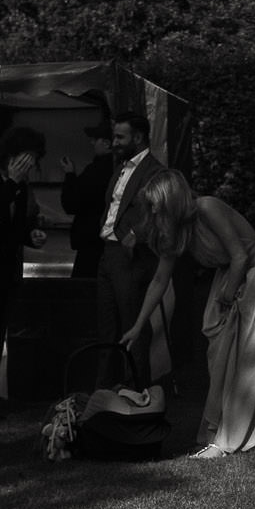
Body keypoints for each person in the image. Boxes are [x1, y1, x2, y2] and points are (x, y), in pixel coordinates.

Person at [122, 170, 255, 455]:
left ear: (171, 200)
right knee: (219, 353)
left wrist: (227, 295)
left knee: (248, 353)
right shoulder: (175, 230)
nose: (153, 211)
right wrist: (138, 325)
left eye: (156, 204)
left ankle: (230, 438)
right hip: (230, 274)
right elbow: (159, 281)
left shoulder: (207, 207)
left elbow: (241, 255)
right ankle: (218, 430)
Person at [0, 124, 46, 419]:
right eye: (27, 158)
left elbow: (14, 226)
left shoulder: (20, 185)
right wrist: (12, 184)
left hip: (5, 271)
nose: (30, 166)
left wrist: (31, 236)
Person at [92, 114, 167, 387]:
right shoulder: (121, 168)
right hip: (108, 253)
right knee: (107, 328)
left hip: (130, 257)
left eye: (120, 137)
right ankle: (105, 391)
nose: (115, 143)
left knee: (132, 327)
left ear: (138, 137)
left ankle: (136, 391)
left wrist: (137, 234)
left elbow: (163, 211)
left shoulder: (155, 171)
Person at [58, 124, 115, 281]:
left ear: (107, 143)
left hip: (92, 241)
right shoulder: (120, 169)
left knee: (84, 289)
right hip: (110, 241)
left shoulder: (97, 171)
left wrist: (70, 175)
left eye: (95, 140)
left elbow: (72, 203)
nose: (92, 143)